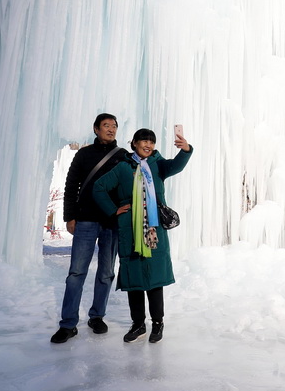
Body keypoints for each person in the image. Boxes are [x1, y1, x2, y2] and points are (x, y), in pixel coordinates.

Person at [93, 127, 192, 343]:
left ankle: (157, 323)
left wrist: (185, 150)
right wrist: (113, 210)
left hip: (154, 228)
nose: (148, 145)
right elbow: (98, 187)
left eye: (152, 142)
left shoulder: (158, 164)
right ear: (135, 143)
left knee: (155, 278)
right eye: (144, 141)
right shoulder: (122, 168)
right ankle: (138, 324)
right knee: (134, 278)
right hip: (131, 229)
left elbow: (176, 165)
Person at [50, 113, 126, 343]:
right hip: (85, 220)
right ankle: (68, 324)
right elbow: (71, 185)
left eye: (114, 126)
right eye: (106, 125)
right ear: (96, 129)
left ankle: (97, 316)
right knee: (76, 272)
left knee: (106, 273)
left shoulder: (122, 155)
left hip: (111, 222)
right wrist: (69, 217)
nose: (111, 129)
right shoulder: (84, 154)